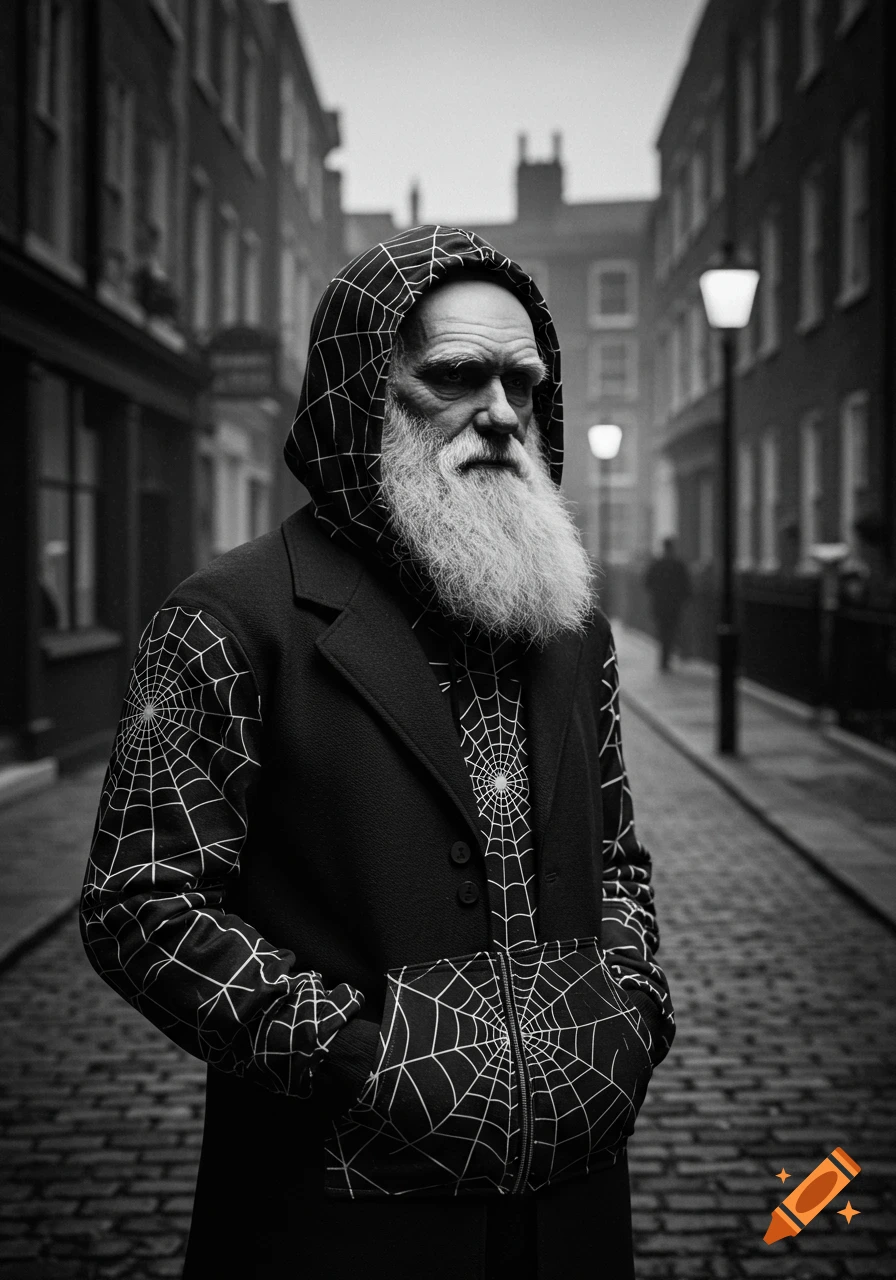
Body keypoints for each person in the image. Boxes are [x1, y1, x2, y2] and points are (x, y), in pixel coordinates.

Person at [80, 226, 674, 1280]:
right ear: (361, 388)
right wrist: (353, 1056)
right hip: (337, 1216)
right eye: (453, 375)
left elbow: (618, 851)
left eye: (522, 384)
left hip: (567, 1210)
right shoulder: (225, 619)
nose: (499, 412)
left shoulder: (570, 623)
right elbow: (141, 904)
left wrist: (629, 1009)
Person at [644, 537, 691, 672]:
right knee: (671, 631)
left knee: (663, 632)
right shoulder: (678, 565)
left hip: (659, 605)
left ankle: (664, 659)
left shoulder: (657, 564)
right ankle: (668, 658)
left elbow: (647, 583)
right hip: (674, 605)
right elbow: (686, 586)